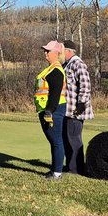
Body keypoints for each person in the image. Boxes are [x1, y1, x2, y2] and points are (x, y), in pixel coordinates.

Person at [35, 40, 67, 180]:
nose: (45, 53)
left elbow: (55, 94)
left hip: (54, 109)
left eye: (48, 51)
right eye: (45, 50)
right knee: (54, 140)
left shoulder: (56, 70)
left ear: (56, 53)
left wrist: (49, 111)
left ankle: (57, 173)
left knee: (56, 141)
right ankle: (55, 170)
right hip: (48, 109)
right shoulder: (50, 68)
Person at [62, 40, 93, 174]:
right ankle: (70, 166)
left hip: (75, 111)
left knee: (74, 139)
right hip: (67, 110)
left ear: (68, 51)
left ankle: (77, 169)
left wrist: (81, 104)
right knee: (67, 139)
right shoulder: (66, 64)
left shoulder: (78, 64)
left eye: (61, 50)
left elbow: (85, 86)